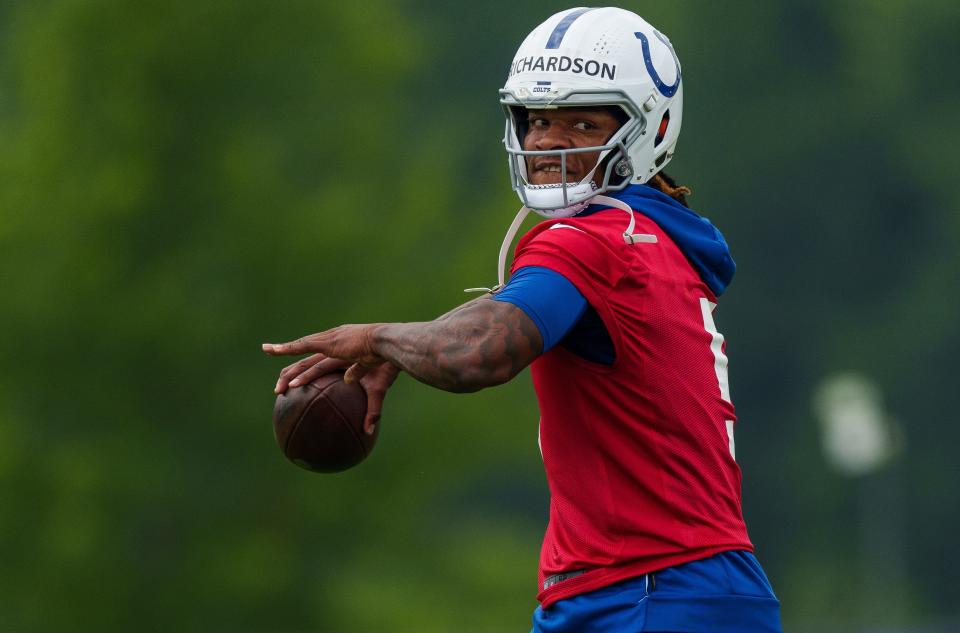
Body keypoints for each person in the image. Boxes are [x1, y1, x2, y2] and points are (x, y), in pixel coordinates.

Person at [263, 7, 782, 632]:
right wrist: (399, 349)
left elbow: (478, 354)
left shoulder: (592, 240)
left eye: (581, 122)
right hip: (645, 585)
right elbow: (505, 313)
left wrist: (375, 337)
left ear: (652, 126)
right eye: (537, 121)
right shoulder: (650, 237)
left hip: (653, 587)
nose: (546, 143)